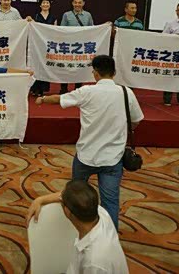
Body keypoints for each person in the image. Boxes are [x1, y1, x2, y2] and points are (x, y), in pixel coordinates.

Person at [34, 55, 143, 228]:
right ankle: (109, 236)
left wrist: (42, 99)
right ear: (114, 72)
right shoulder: (126, 93)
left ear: (96, 73)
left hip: (86, 155)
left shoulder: (87, 91)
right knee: (110, 202)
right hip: (113, 158)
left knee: (75, 197)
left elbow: (59, 99)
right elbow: (136, 120)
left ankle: (74, 230)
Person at [28, 180, 129, 274]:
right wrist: (40, 200)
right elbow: (74, 197)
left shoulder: (93, 263)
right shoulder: (100, 212)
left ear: (67, 211)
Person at [60, 0, 94, 94]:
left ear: (83, 3)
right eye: (75, 2)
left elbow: (92, 29)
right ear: (72, 3)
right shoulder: (66, 15)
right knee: (65, 67)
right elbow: (61, 30)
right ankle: (63, 89)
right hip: (68, 46)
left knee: (80, 66)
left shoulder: (88, 15)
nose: (77, 5)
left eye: (79, 3)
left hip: (81, 46)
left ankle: (78, 89)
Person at [27, 0, 56, 96]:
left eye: (47, 3)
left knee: (45, 65)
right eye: (43, 3)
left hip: (48, 45)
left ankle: (43, 89)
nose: (45, 4)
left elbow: (55, 30)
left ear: (50, 5)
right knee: (37, 66)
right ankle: (35, 88)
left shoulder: (53, 17)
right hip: (37, 44)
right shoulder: (36, 16)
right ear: (40, 5)